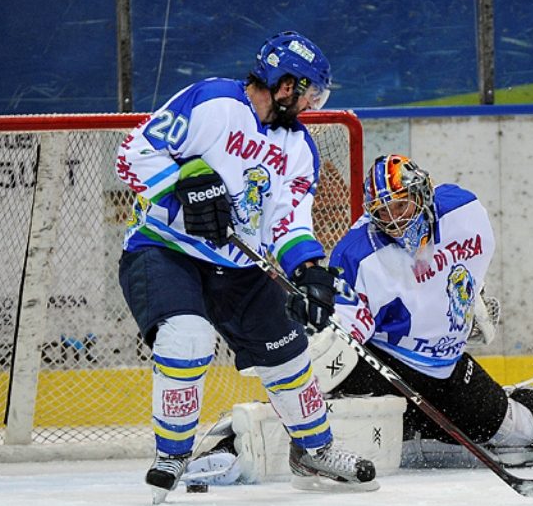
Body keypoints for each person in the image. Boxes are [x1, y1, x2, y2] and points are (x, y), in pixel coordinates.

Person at [181, 154, 533, 485]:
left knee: (520, 431)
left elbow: (463, 267)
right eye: (383, 213)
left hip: (444, 366)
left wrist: (470, 304)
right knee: (328, 399)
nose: (394, 221)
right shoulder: (359, 255)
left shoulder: (466, 212)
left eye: (401, 205)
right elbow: (338, 342)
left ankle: (431, 428)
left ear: (423, 193)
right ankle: (233, 437)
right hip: (382, 363)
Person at [115, 31, 377, 503]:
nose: (312, 104)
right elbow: (132, 155)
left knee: (290, 353)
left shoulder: (300, 150)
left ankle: (314, 449)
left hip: (239, 266)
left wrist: (309, 270)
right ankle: (172, 454)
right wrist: (185, 183)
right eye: (309, 92)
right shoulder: (212, 102)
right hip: (164, 248)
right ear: (284, 84)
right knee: (186, 337)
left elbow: (287, 224)